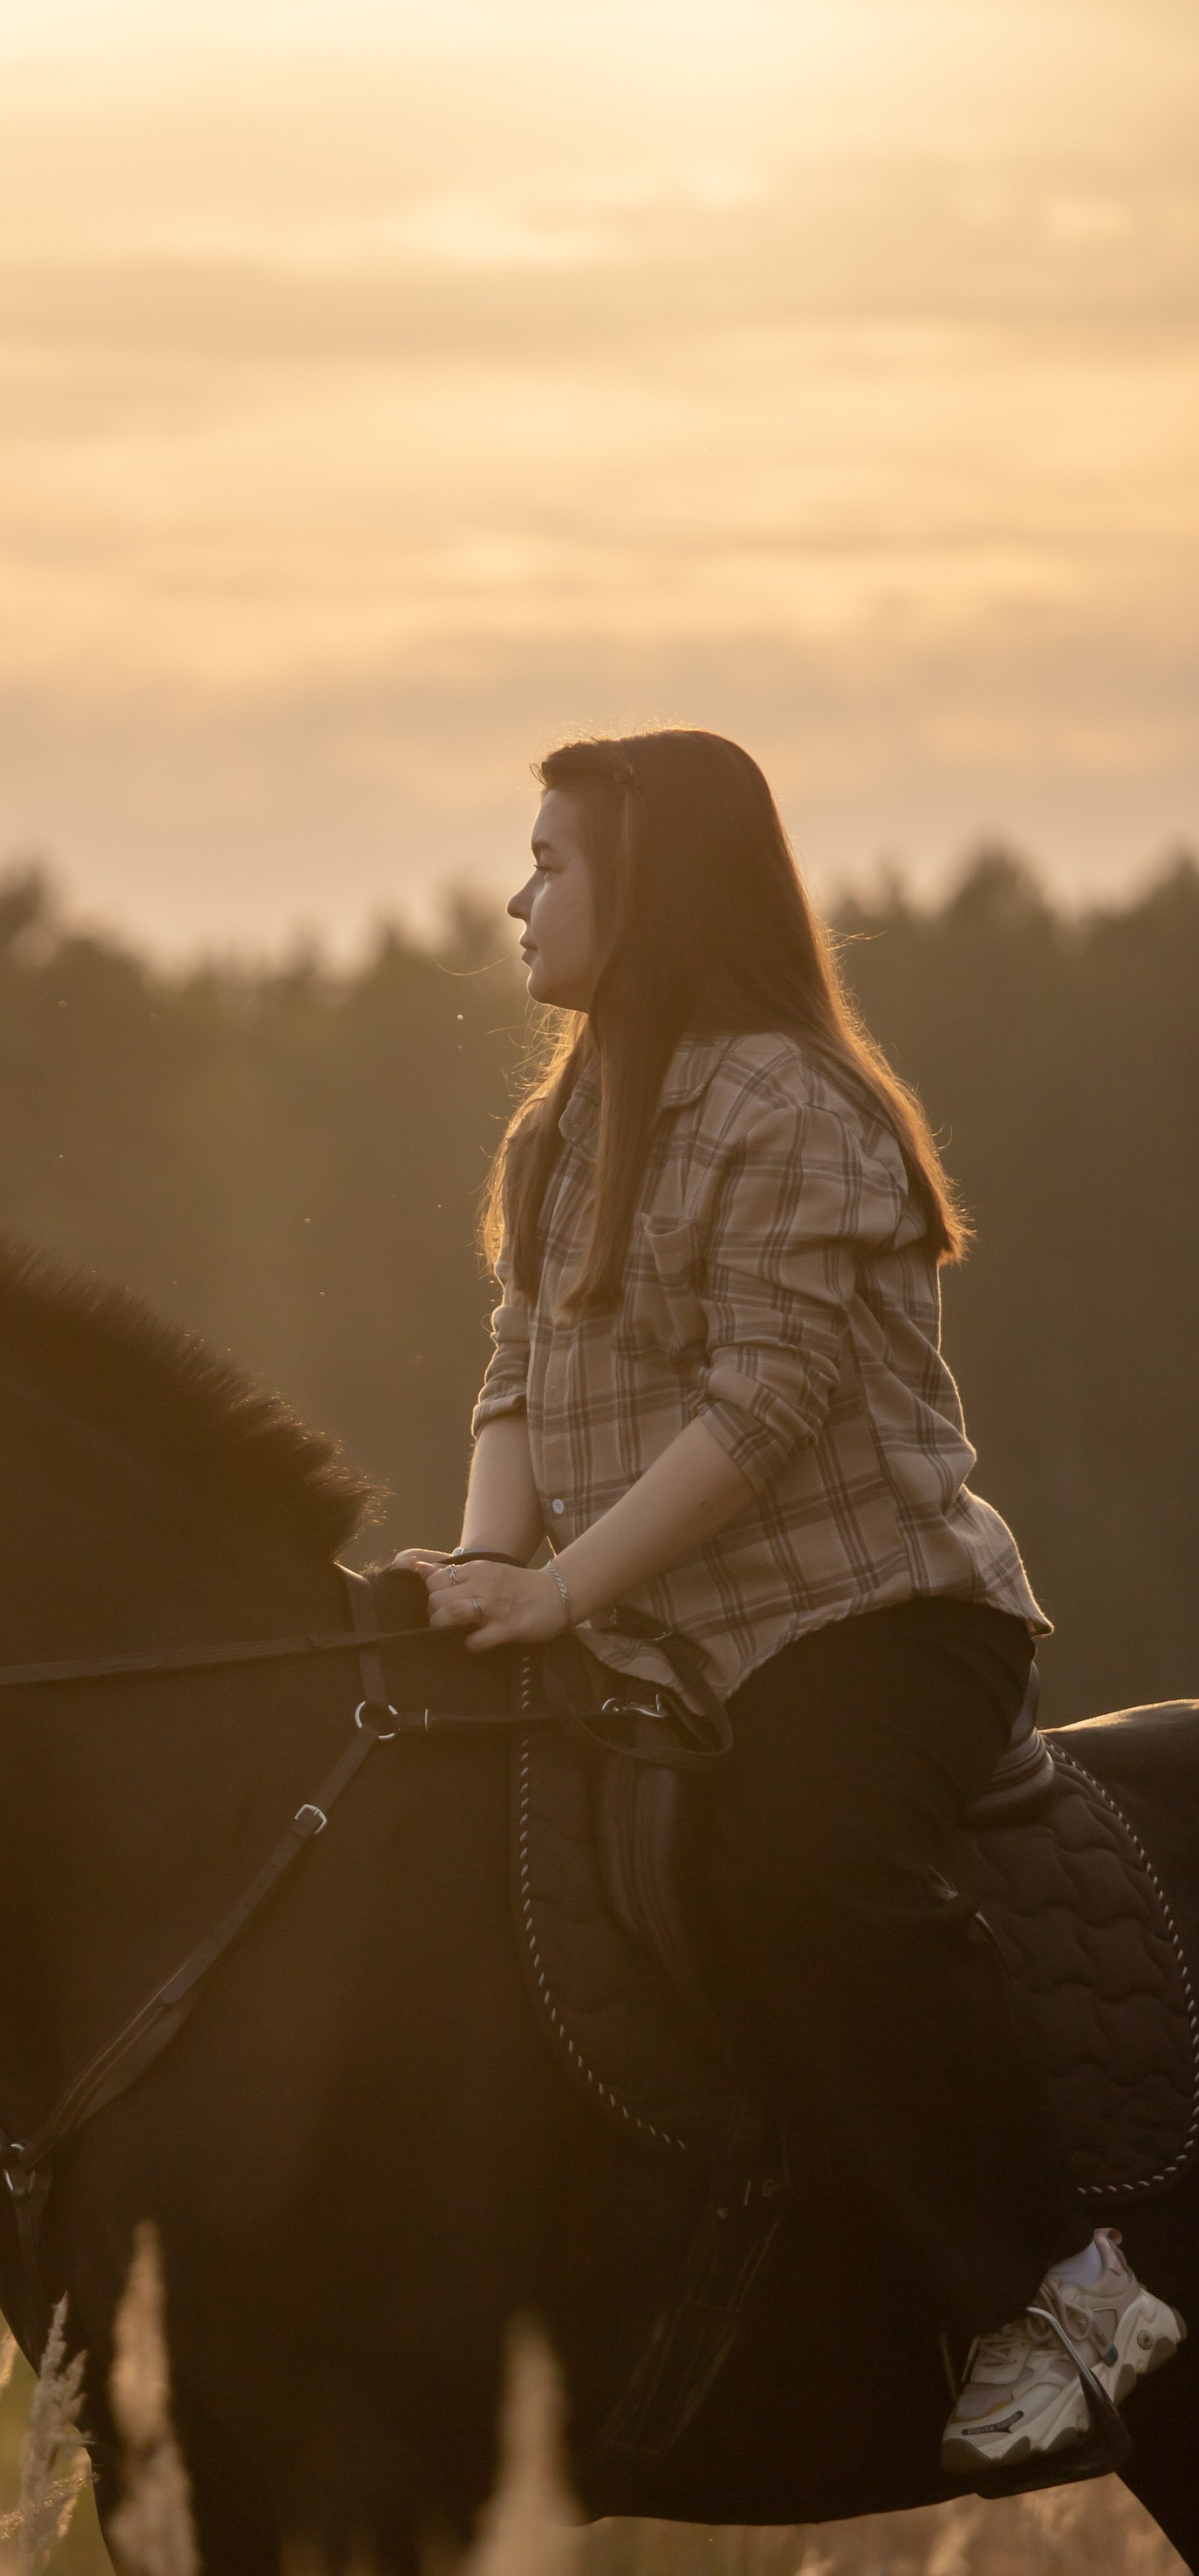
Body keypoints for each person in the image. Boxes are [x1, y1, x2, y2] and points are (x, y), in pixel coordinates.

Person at [403, 728, 1182, 2484]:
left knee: (796, 1873)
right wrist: (480, 1573)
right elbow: (511, 1384)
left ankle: (1053, 2296)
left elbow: (761, 1406)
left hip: (865, 1618)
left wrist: (557, 1591)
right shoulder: (555, 1131)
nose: (515, 896)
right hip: (644, 1629)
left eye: (550, 862)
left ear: (650, 889)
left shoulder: (785, 1107)